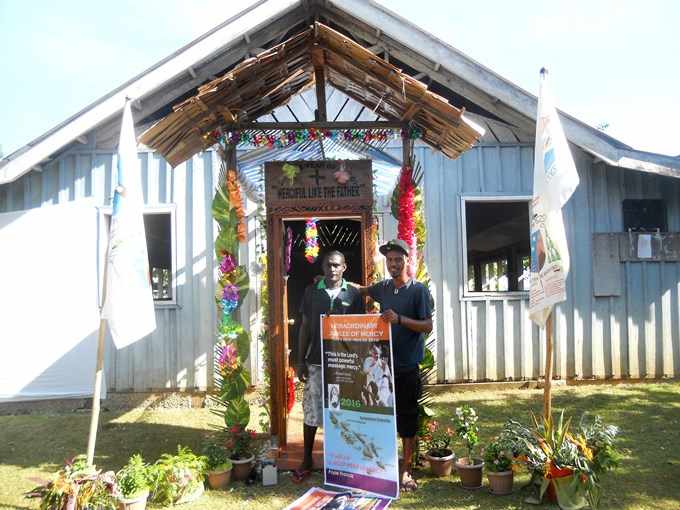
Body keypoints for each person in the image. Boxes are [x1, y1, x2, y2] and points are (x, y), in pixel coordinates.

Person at [351, 239, 433, 492]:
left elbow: (427, 325)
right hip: (381, 369)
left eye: (398, 259)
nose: (394, 264)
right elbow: (362, 290)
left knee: (407, 420)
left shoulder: (418, 291)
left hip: (407, 368)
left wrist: (399, 320)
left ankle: (406, 470)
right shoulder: (384, 288)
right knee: (382, 418)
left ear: (408, 261)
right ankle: (383, 464)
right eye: (389, 260)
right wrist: (334, 283)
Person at [292, 250, 363, 483]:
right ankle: (306, 459)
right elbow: (304, 326)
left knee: (340, 411)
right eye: (328, 265)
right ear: (322, 267)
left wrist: (358, 363)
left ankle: (339, 460)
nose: (332, 269)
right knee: (312, 410)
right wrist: (300, 360)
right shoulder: (312, 292)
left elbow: (360, 329)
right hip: (315, 361)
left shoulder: (353, 294)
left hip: (343, 364)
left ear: (344, 268)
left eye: (336, 265)